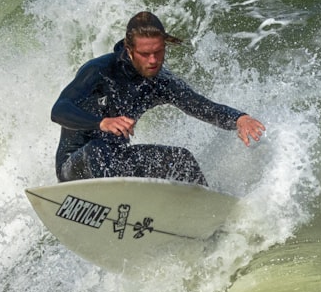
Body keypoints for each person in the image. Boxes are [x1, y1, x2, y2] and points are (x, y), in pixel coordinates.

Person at [51, 11, 266, 186]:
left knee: (181, 160)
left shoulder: (160, 82)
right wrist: (101, 123)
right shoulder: (100, 70)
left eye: (159, 52)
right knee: (100, 149)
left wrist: (239, 118)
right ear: (130, 50)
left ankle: (206, 220)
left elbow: (198, 105)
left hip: (115, 163)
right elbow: (59, 109)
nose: (153, 60)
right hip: (76, 167)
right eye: (145, 54)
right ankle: (117, 206)